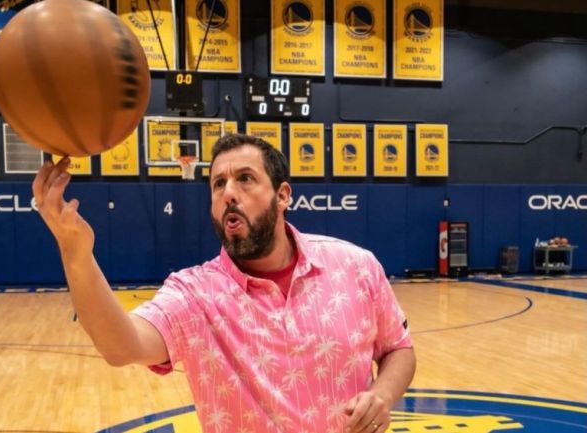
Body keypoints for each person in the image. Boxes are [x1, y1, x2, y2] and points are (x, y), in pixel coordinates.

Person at [33, 133, 416, 433]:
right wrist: (75, 253)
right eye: (218, 185)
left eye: (245, 179)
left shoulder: (355, 266)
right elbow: (121, 346)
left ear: (282, 195)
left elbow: (398, 348)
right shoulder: (195, 295)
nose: (229, 192)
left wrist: (382, 396)